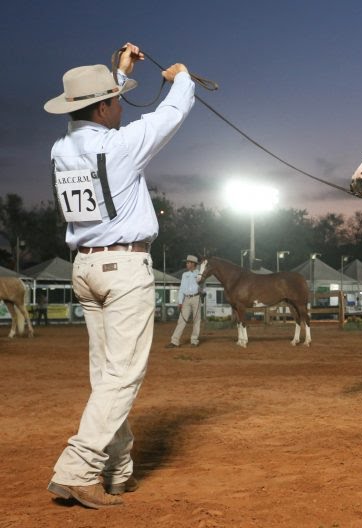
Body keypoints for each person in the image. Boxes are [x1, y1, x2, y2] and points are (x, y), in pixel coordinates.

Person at [44, 42, 195, 509]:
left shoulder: (60, 148)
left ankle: (118, 469)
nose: (120, 106)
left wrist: (120, 75)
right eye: (116, 100)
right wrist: (182, 79)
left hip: (85, 266)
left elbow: (102, 116)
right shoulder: (120, 145)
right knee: (122, 376)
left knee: (106, 374)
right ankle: (78, 468)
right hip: (124, 267)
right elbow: (168, 116)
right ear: (105, 105)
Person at [166, 255, 202, 348]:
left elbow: (203, 286)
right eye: (187, 262)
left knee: (196, 320)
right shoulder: (184, 275)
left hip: (196, 298)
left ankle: (194, 340)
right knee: (181, 320)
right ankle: (175, 341)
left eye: (188, 262)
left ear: (193, 264)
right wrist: (180, 301)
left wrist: (202, 288)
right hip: (186, 299)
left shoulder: (199, 274)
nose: (186, 264)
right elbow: (181, 288)